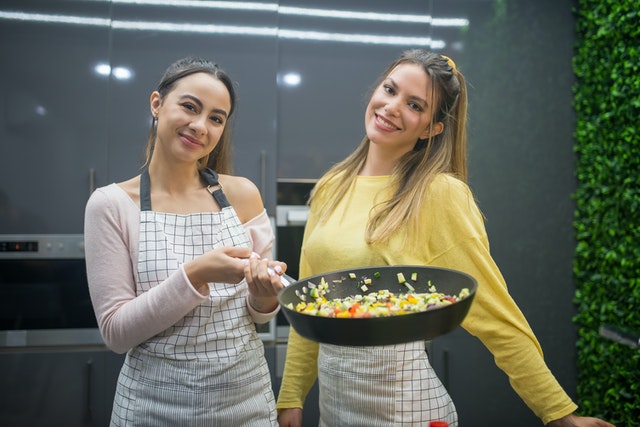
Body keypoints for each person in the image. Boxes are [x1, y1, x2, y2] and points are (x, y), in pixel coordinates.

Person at [275, 49, 615, 427]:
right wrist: (291, 397)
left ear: (432, 128)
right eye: (390, 90)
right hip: (334, 413)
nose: (391, 107)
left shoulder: (439, 194)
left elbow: (495, 315)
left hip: (407, 415)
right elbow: (307, 304)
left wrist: (558, 414)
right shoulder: (330, 187)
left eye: (415, 105)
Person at [84, 57, 287, 426]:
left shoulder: (242, 194)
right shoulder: (111, 204)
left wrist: (264, 292)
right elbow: (116, 332)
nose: (200, 126)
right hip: (151, 407)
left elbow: (259, 314)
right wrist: (196, 274)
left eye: (216, 118)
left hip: (246, 402)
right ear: (157, 104)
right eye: (190, 107)